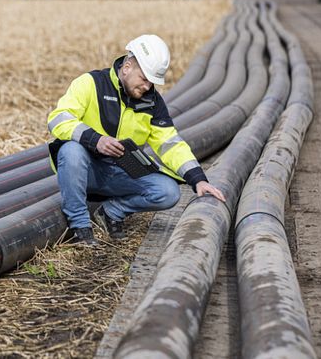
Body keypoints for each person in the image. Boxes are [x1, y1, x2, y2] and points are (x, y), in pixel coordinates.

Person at [47, 34, 226, 246]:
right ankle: (80, 227)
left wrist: (198, 179)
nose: (148, 87)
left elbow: (170, 143)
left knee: (168, 192)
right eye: (144, 79)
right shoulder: (91, 83)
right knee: (71, 151)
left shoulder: (153, 103)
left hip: (120, 173)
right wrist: (95, 139)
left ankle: (111, 212)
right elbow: (59, 118)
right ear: (127, 67)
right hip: (86, 171)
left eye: (152, 82)